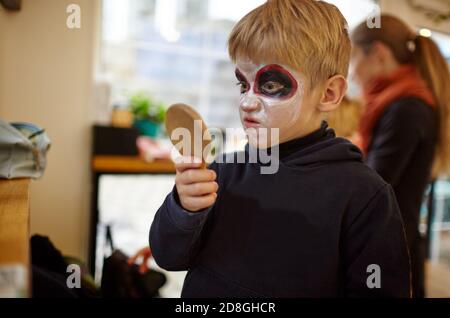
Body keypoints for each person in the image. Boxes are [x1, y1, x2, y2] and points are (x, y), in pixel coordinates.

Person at [149, 0, 410, 297]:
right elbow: (168, 255)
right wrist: (184, 209)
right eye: (242, 85)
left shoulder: (363, 196)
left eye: (270, 86)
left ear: (328, 93)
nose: (247, 102)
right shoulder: (222, 171)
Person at [350, 15, 450, 298]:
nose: (351, 72)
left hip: (393, 244)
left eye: (353, 58)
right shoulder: (400, 102)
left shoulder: (407, 108)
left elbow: (374, 183)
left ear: (378, 54)